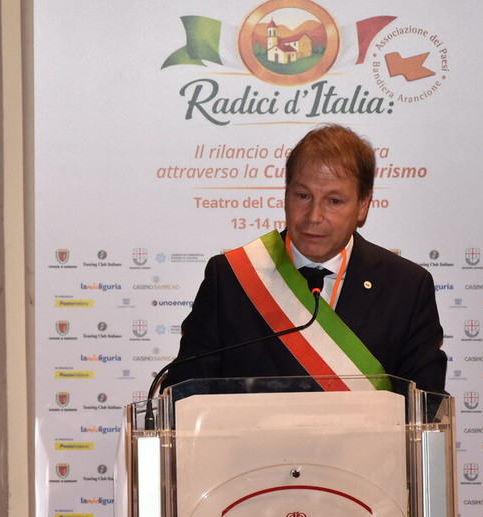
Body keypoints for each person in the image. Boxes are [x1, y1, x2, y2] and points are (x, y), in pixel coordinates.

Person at [166, 124, 446, 395]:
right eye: (302, 196)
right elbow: (187, 394)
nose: (313, 217)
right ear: (285, 194)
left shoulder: (405, 288)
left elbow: (425, 405)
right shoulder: (231, 278)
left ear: (363, 205)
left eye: (334, 201)